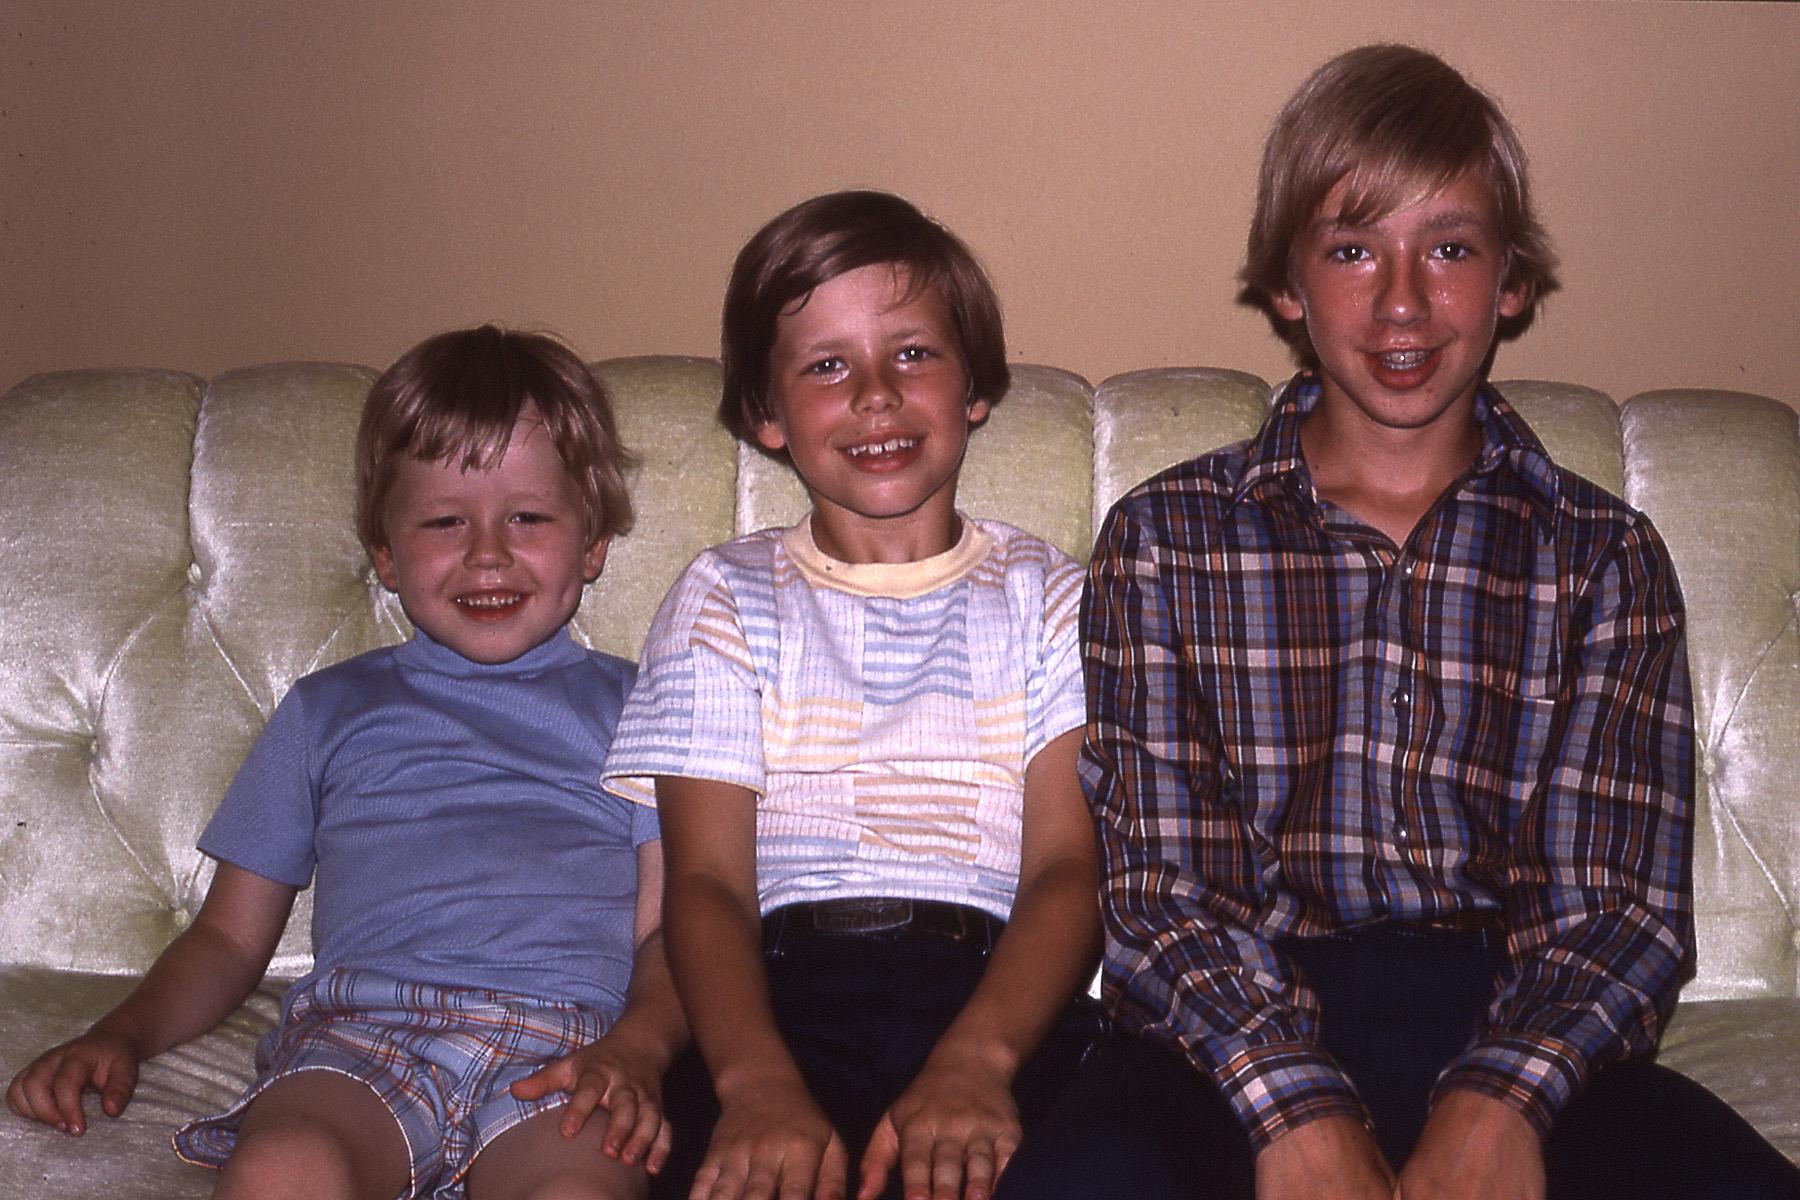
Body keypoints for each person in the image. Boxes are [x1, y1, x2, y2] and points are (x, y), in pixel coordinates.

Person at [1078, 43, 1800, 1200]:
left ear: (1511, 281)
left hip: (1522, 1020)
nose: (1403, 300)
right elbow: (1163, 893)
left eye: (1450, 249)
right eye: (1354, 249)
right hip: (1231, 1029)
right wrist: (1292, 1105)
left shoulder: (1601, 555)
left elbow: (1617, 910)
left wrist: (1500, 1095)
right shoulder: (1166, 540)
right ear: (1286, 286)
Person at [6, 325, 688, 1200]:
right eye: (444, 521)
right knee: (283, 1169)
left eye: (528, 517)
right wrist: (124, 1034)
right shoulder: (329, 710)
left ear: (591, 543)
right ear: (385, 555)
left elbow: (674, 932)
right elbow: (225, 937)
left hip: (571, 1049)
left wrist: (638, 1049)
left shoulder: (652, 711)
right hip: (363, 1035)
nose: (487, 551)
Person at [602, 190, 1105, 1200]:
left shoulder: (1052, 594)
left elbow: (1066, 866)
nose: (877, 395)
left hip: (999, 992)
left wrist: (979, 1063)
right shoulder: (723, 594)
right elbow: (706, 887)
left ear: (975, 389)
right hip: (778, 996)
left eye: (913, 354)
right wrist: (752, 1084)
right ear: (767, 416)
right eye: (827, 365)